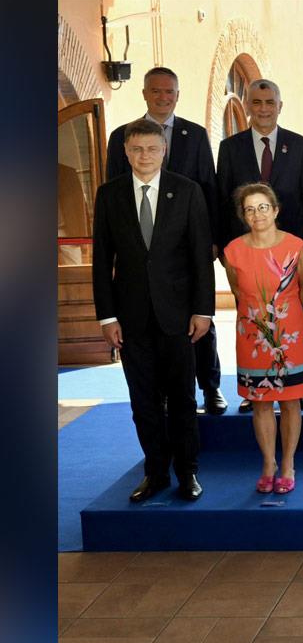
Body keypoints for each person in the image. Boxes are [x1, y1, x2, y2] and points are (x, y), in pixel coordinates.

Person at [92, 119, 214, 502]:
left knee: (182, 399)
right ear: (126, 152)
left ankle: (187, 473)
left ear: (164, 150)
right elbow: (100, 261)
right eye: (137, 149)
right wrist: (107, 317)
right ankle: (155, 472)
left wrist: (203, 311)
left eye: (152, 148)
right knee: (142, 402)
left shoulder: (188, 191)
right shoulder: (109, 195)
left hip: (179, 317)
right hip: (130, 320)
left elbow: (200, 258)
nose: (144, 156)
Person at [106, 66, 226, 415]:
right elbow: (115, 191)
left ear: (177, 95)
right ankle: (159, 393)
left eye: (169, 91)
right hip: (142, 248)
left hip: (189, 245)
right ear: (144, 93)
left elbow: (209, 186)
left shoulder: (195, 134)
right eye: (156, 91)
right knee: (153, 322)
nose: (163, 97)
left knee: (200, 316)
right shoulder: (121, 137)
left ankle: (210, 386)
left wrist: (213, 240)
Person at [216, 78, 303, 413]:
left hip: (290, 253)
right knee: (251, 317)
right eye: (256, 102)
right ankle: (253, 388)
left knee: (293, 317)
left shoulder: (300, 145)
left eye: (269, 102)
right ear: (247, 105)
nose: (263, 109)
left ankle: (296, 387)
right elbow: (222, 199)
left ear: (279, 106)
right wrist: (224, 248)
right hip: (247, 252)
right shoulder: (230, 148)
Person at [223, 183, 303, 494]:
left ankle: (288, 463)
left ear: (275, 210)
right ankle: (268, 463)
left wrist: (282, 314)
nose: (257, 214)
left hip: (289, 334)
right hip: (251, 334)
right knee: (260, 402)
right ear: (243, 215)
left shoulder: (296, 247)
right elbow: (238, 291)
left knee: (290, 401)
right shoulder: (232, 251)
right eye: (250, 209)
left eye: (263, 207)